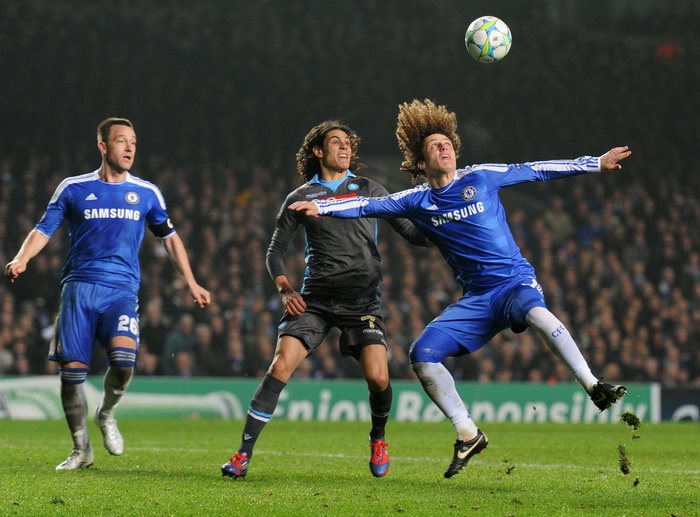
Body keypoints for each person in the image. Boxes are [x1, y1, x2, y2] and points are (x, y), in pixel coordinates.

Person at [289, 99, 631, 479]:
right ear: (421, 164)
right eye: (435, 146)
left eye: (447, 143)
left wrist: (595, 163)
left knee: (536, 312)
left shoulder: (480, 177)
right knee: (422, 354)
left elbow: (535, 170)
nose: (445, 148)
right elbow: (368, 204)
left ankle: (593, 385)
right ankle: (468, 432)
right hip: (477, 300)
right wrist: (323, 208)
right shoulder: (416, 200)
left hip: (513, 283)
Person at [221, 120, 431, 479]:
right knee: (280, 366)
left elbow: (410, 232)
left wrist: (448, 230)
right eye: (336, 141)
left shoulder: (369, 189)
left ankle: (378, 438)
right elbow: (275, 252)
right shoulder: (300, 197)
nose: (345, 146)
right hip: (315, 300)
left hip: (362, 302)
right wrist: (286, 290)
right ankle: (242, 454)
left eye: (348, 142)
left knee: (378, 378)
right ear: (318, 151)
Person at [4, 117, 211, 470]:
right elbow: (44, 228)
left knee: (124, 362)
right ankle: (81, 449)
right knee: (72, 371)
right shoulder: (73, 188)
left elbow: (170, 238)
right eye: (121, 141)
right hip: (78, 288)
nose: (130, 147)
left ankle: (106, 412)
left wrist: (191, 281)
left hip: (121, 291)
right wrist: (23, 257)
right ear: (103, 146)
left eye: (134, 141)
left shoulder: (146, 192)